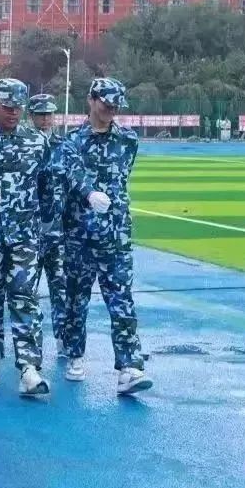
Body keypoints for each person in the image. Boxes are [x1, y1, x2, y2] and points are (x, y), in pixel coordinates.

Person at [51, 78, 152, 395]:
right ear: (92, 100)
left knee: (122, 300)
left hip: (115, 234)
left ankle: (129, 366)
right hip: (79, 234)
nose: (110, 110)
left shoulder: (128, 139)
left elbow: (123, 177)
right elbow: (72, 174)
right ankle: (75, 355)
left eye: (115, 106)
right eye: (106, 104)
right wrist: (89, 193)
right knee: (75, 299)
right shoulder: (72, 141)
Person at [0, 79, 52, 396]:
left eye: (18, 108)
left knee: (25, 298)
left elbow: (46, 185)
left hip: (24, 234)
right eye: (7, 107)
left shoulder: (37, 141)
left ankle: (29, 367)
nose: (13, 113)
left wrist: (44, 224)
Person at [28, 94, 69, 354]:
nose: (45, 119)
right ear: (31, 116)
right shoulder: (23, 146)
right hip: (29, 231)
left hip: (59, 230)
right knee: (26, 292)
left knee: (61, 287)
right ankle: (31, 347)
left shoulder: (64, 146)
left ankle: (63, 338)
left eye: (49, 114)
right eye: (40, 114)